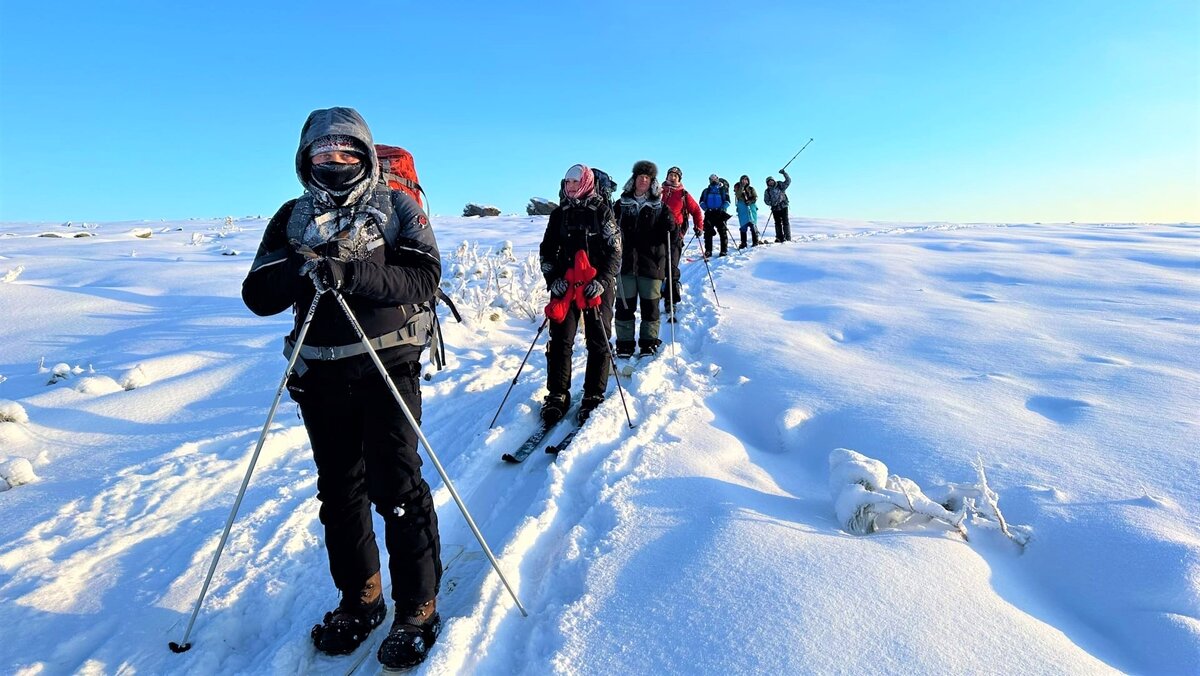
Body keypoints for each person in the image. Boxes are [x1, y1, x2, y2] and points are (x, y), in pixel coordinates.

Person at [241, 107, 444, 670]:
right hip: (319, 373)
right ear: (306, 158)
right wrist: (301, 269)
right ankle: (362, 598)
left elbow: (424, 277)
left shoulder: (398, 208)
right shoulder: (292, 216)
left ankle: (418, 609)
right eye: (323, 152)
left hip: (387, 367)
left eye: (347, 151)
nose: (335, 161)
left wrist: (351, 273)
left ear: (364, 154)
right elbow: (257, 294)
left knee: (397, 490)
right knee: (340, 493)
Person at [538, 164, 621, 424]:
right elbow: (547, 251)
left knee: (599, 338)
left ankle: (593, 395)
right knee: (560, 338)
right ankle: (557, 395)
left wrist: (604, 281)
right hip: (566, 284)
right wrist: (553, 279)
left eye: (575, 182)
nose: (570, 187)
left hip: (596, 285)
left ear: (586, 182)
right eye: (567, 183)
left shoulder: (603, 211)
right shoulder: (558, 214)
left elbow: (615, 252)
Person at [612, 160, 676, 357]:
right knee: (624, 307)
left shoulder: (660, 207)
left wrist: (670, 225)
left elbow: (672, 236)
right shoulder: (620, 205)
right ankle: (624, 344)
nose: (643, 180)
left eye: (647, 178)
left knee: (650, 308)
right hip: (626, 265)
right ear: (634, 179)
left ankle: (648, 343)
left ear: (652, 182)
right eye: (640, 177)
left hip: (652, 264)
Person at [659, 166, 703, 320]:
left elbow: (696, 210)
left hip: (676, 234)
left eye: (676, 176)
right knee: (658, 265)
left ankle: (671, 301)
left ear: (679, 179)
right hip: (657, 234)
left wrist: (699, 226)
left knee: (671, 267)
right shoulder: (658, 191)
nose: (673, 177)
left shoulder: (683, 194)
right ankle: (659, 292)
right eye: (671, 175)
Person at [698, 174, 732, 257]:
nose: (713, 180)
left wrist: (722, 209)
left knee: (723, 232)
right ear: (709, 180)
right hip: (709, 213)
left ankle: (724, 250)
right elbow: (701, 202)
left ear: (717, 179)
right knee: (708, 233)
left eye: (715, 178)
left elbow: (727, 201)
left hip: (720, 213)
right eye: (711, 179)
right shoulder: (706, 191)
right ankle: (708, 251)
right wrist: (706, 209)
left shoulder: (722, 190)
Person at [764, 168, 792, 242]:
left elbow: (788, 181)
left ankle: (788, 238)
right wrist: (772, 203)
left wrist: (784, 173)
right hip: (775, 208)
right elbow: (766, 200)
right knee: (777, 223)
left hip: (783, 206)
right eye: (769, 181)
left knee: (785, 221)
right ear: (767, 183)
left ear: (774, 180)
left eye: (771, 180)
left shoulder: (780, 185)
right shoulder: (767, 191)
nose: (770, 182)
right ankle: (779, 237)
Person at [734, 174, 760, 248]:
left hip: (751, 208)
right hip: (742, 209)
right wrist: (741, 187)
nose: (744, 181)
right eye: (743, 179)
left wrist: (750, 201)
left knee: (753, 225)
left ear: (748, 181)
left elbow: (755, 197)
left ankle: (755, 241)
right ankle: (743, 243)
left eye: (746, 179)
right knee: (743, 226)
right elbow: (738, 195)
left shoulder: (751, 189)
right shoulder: (738, 188)